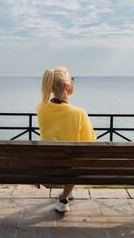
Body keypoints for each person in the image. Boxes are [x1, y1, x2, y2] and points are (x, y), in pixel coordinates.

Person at [36, 66, 96, 213]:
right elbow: (90, 143)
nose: (73, 81)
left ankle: (68, 193)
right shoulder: (79, 113)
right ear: (67, 86)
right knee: (78, 159)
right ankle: (64, 199)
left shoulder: (41, 109)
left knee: (70, 159)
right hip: (70, 168)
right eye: (72, 79)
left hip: (48, 165)